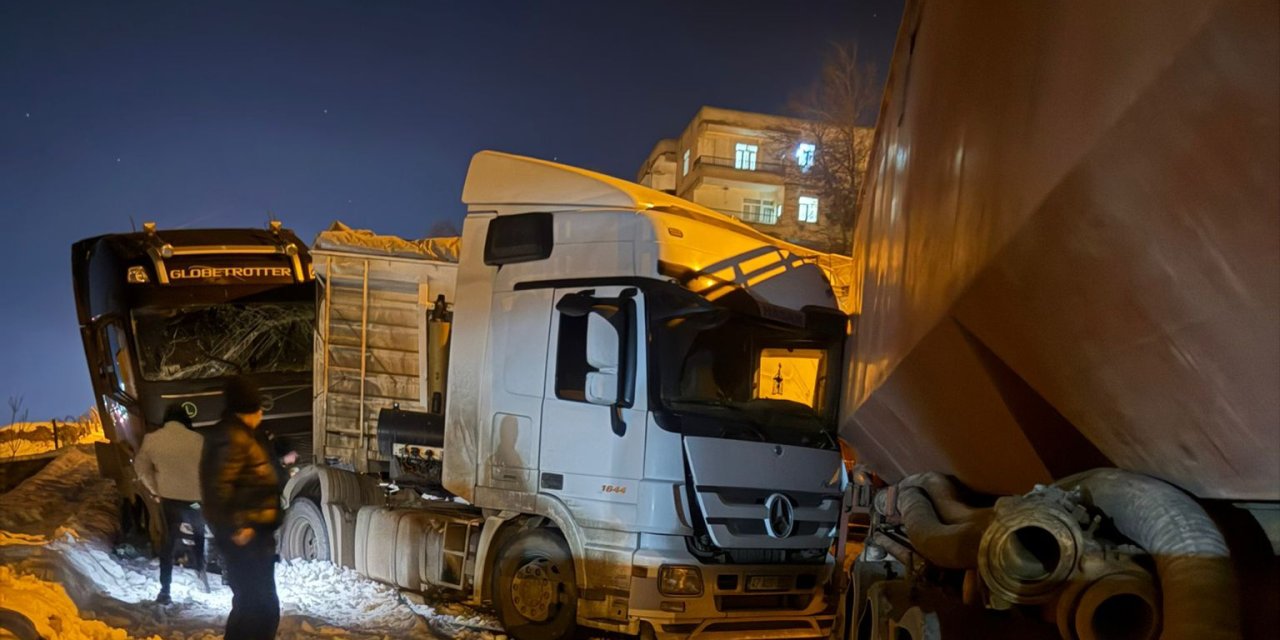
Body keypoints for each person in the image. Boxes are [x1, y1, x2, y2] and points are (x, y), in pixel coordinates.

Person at [200, 377, 284, 640]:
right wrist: (237, 527)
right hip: (245, 540)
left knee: (255, 608)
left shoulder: (244, 434)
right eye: (257, 407)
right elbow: (218, 487)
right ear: (246, 408)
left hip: (255, 538)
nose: (261, 412)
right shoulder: (231, 437)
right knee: (259, 610)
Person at [133, 403, 208, 604]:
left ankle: (165, 590)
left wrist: (154, 489)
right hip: (195, 502)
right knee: (199, 532)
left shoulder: (152, 439)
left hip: (170, 501)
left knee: (168, 541)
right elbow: (208, 469)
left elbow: (140, 468)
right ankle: (200, 567)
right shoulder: (198, 440)